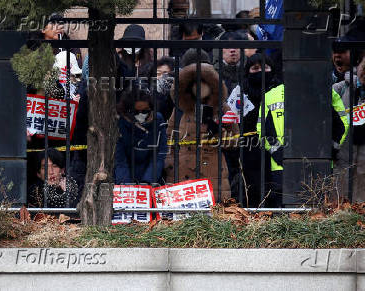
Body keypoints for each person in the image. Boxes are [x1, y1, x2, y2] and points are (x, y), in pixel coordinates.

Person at [257, 80, 348, 207]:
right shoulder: (271, 95)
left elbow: (342, 123)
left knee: (318, 209)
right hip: (282, 166)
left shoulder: (328, 93)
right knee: (288, 210)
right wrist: (278, 152)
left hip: (319, 162)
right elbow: (263, 129)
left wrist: (330, 148)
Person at [164, 61, 238, 201]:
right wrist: (170, 165)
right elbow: (169, 139)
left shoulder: (222, 109)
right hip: (182, 170)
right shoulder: (180, 110)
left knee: (214, 214)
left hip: (213, 170)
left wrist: (217, 130)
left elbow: (235, 142)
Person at [223, 53, 280, 206]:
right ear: (248, 71)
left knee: (273, 185)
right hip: (248, 147)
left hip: (275, 144)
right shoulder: (241, 91)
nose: (260, 71)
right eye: (255, 68)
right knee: (251, 186)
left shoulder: (279, 90)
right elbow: (230, 119)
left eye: (265, 68)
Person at [333, 53, 365, 202]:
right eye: (364, 68)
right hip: (343, 157)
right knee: (341, 203)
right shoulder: (339, 89)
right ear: (357, 66)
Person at [114, 88, 168, 185]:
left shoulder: (158, 120)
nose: (140, 115)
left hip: (151, 174)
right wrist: (125, 184)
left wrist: (148, 180)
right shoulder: (121, 123)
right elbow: (120, 159)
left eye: (145, 111)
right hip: (127, 172)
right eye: (136, 112)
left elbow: (159, 155)